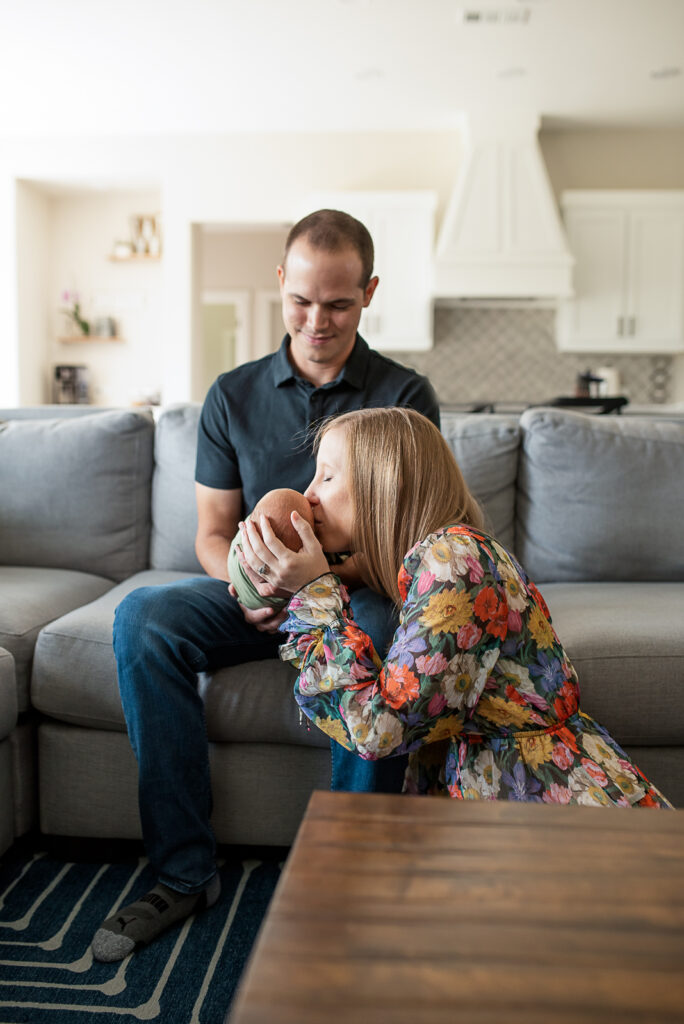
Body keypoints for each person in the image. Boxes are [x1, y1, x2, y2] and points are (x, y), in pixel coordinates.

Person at [91, 210, 440, 962]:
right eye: (303, 301)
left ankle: (351, 872)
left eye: (340, 304)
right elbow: (211, 535)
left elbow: (406, 549)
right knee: (144, 619)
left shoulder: (405, 397)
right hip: (250, 593)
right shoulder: (232, 394)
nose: (318, 321)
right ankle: (184, 873)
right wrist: (254, 584)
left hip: (358, 592)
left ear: (369, 293)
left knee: (384, 629)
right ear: (281, 284)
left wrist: (312, 583)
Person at [238, 407, 672, 809]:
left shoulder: (455, 564)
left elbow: (379, 730)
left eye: (327, 478)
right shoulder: (441, 556)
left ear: (386, 486)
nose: (309, 494)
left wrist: (315, 594)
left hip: (544, 806)